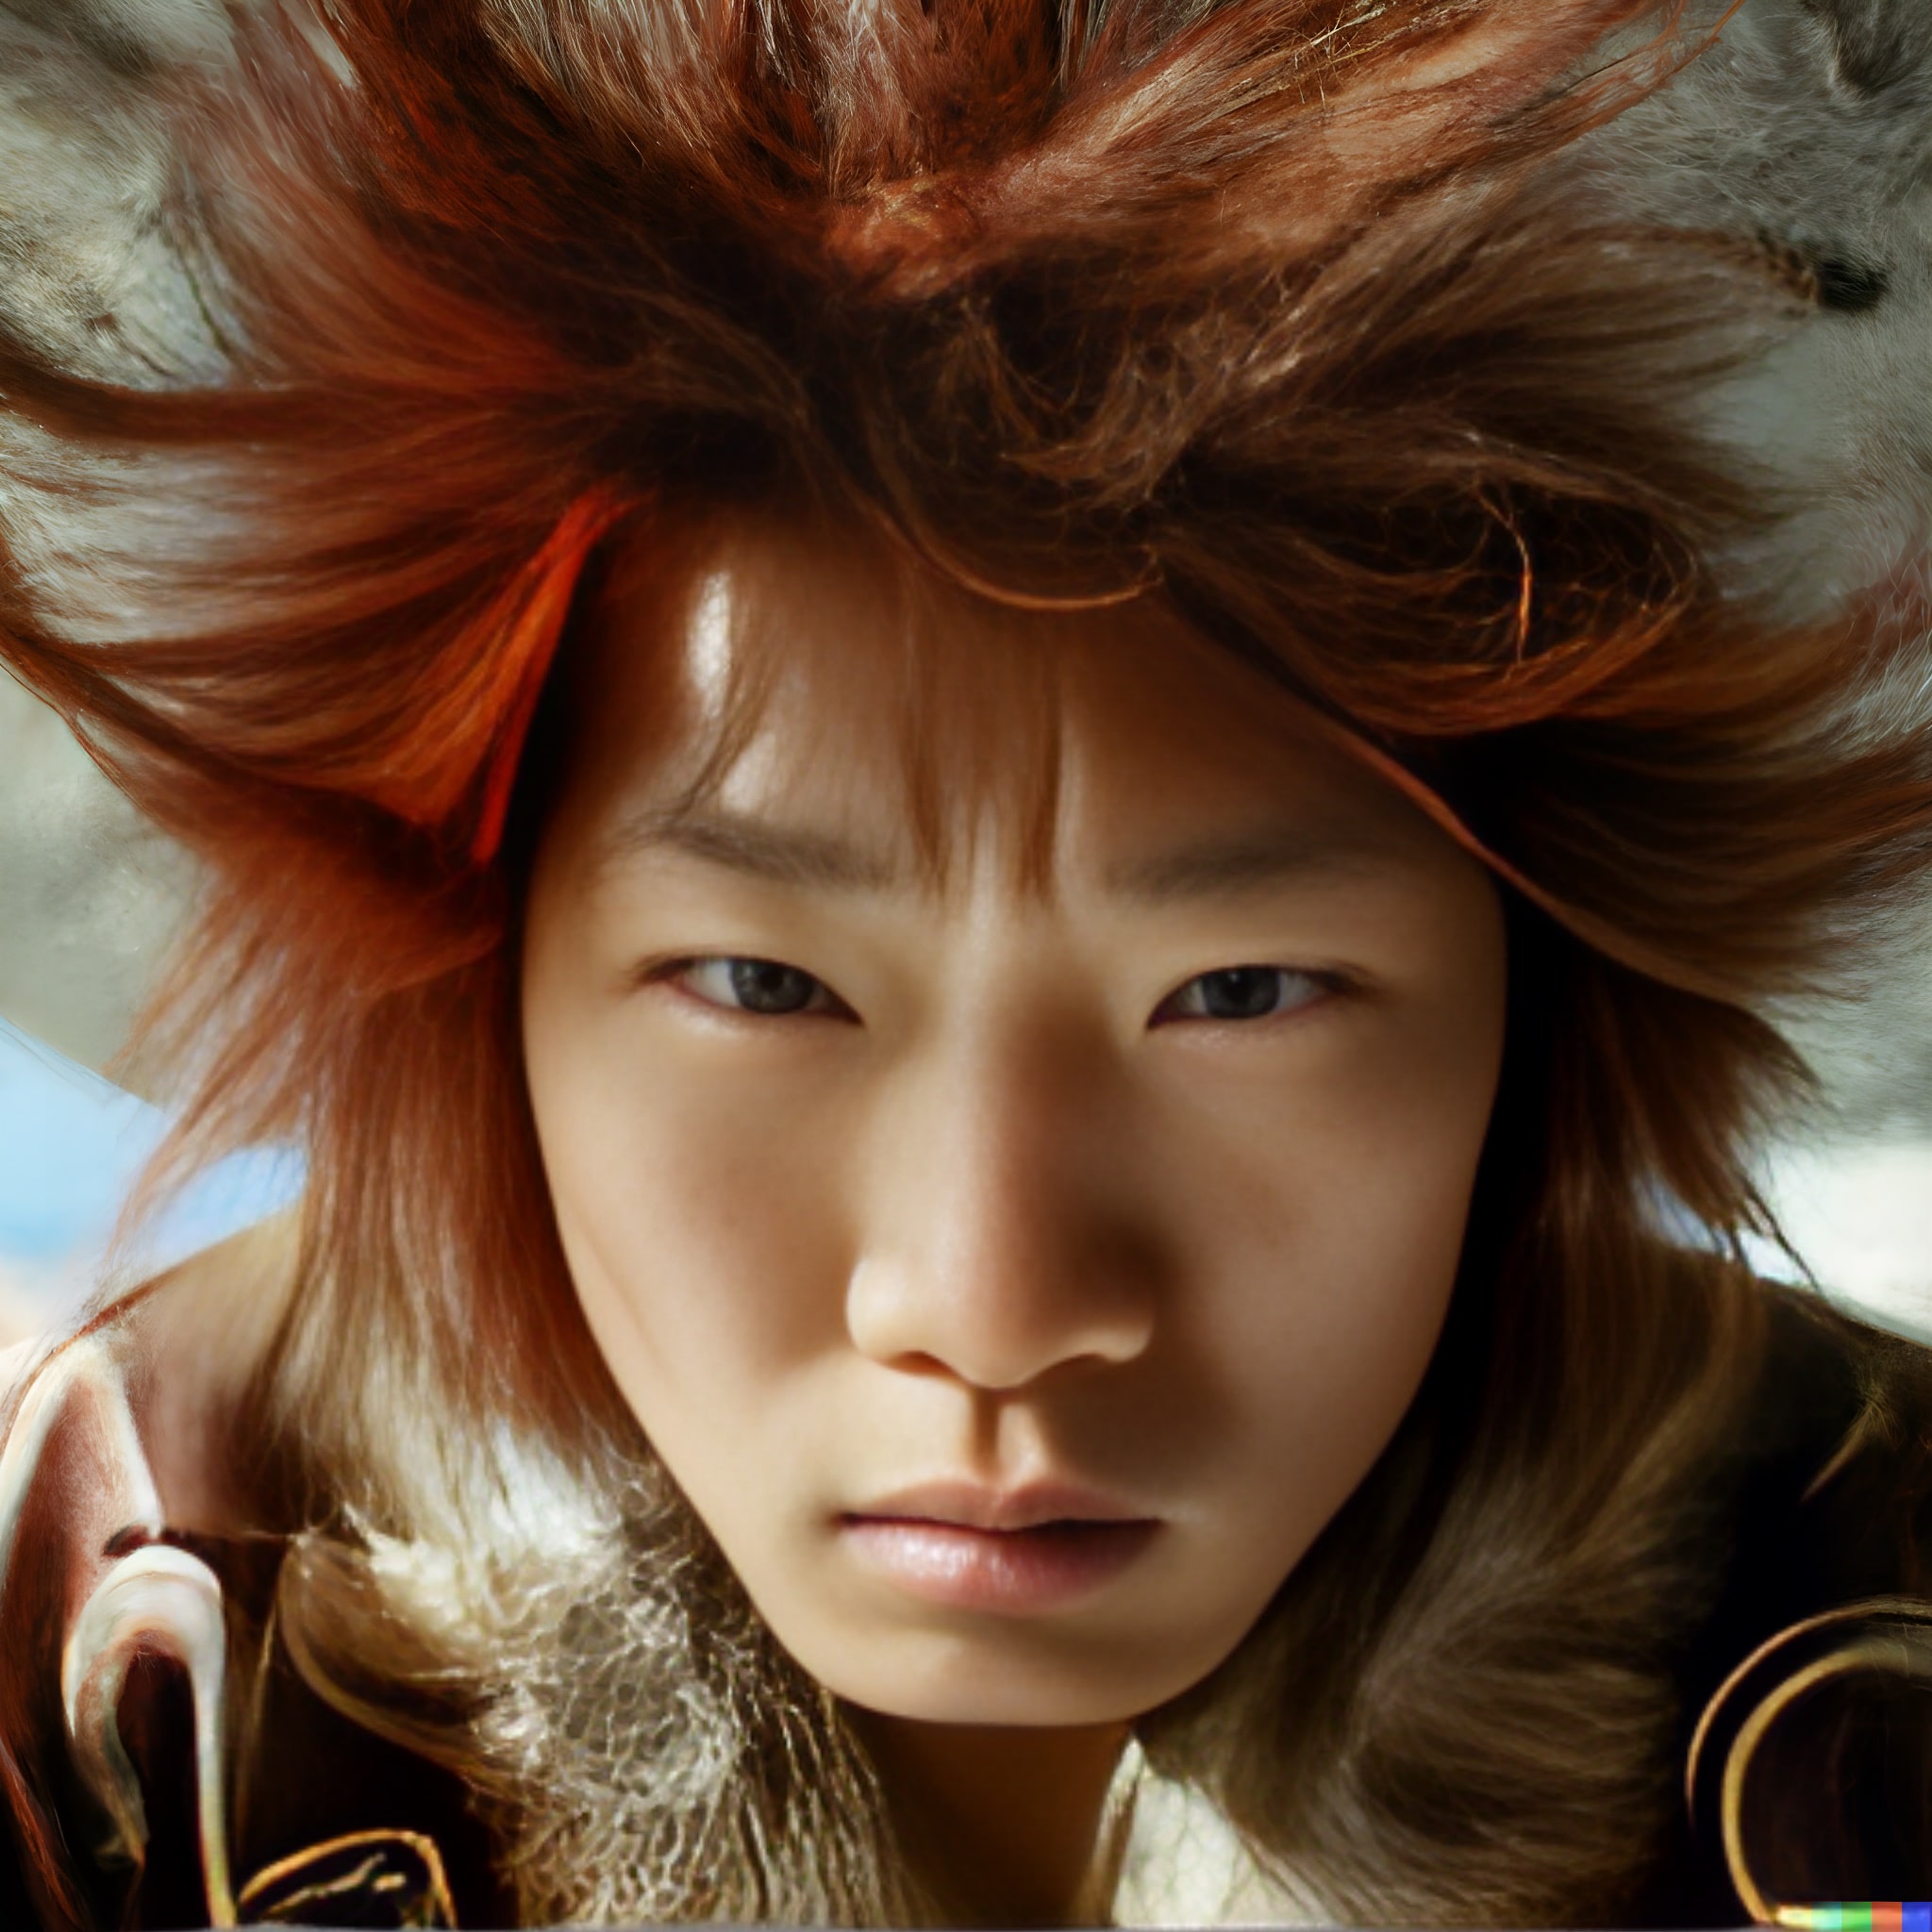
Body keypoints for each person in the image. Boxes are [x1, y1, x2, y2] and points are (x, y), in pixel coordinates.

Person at [3, 0, 1932, 1925]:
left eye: (1243, 992)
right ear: (487, 993)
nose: (991, 1305)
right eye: (764, 984)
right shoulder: (130, 1616)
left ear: (1538, 1013)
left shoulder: (1880, 1620)